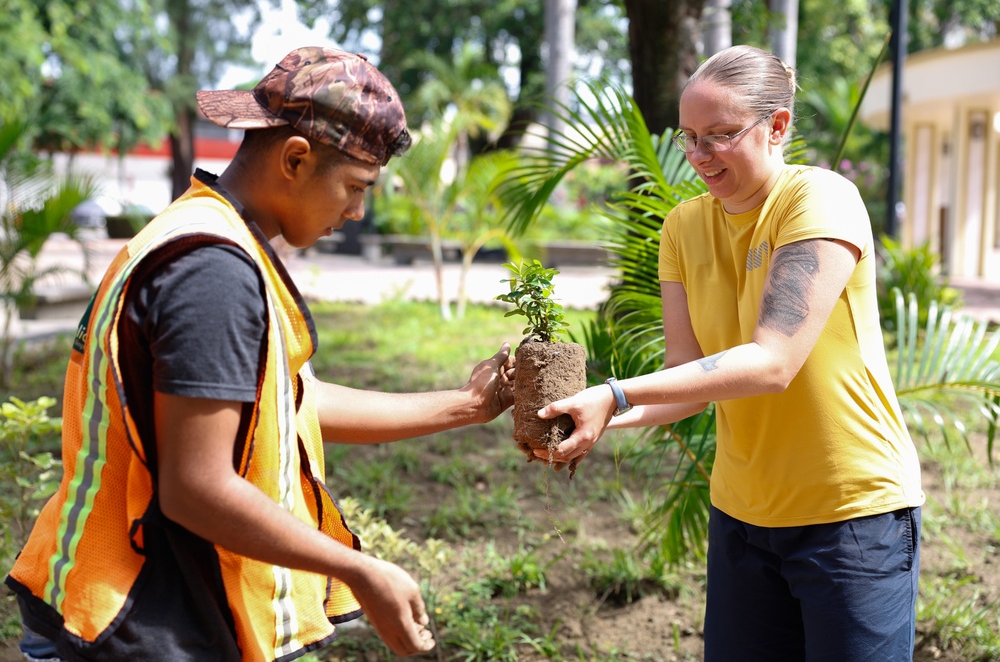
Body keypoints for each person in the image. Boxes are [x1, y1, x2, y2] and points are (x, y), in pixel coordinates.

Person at [5, 47, 514, 662]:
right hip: (135, 625)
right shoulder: (212, 272)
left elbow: (283, 403)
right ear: (296, 159)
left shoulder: (208, 234)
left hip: (119, 610)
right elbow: (197, 488)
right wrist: (358, 570)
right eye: (355, 188)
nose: (356, 212)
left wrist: (467, 404)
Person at [534, 45, 924, 661]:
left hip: (852, 517)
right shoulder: (684, 227)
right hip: (742, 518)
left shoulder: (819, 200)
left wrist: (616, 393)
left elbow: (771, 362)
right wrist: (597, 414)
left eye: (719, 136)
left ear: (776, 127)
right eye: (688, 137)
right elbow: (683, 382)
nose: (697, 156)